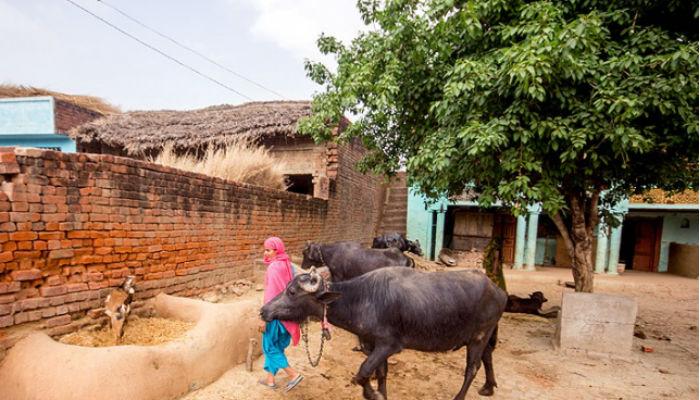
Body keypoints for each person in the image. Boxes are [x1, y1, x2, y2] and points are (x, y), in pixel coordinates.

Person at [258, 236, 304, 391]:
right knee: (276, 347)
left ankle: (293, 374)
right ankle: (270, 380)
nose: (265, 253)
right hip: (289, 315)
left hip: (275, 315)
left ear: (276, 250)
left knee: (269, 347)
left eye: (268, 250)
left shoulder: (273, 268)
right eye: (265, 249)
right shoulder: (288, 265)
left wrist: (264, 318)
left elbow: (270, 296)